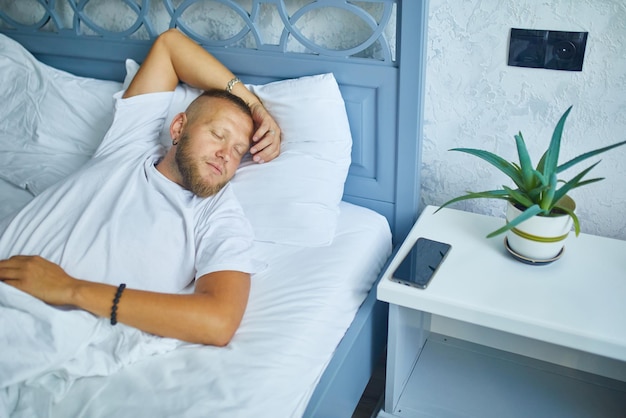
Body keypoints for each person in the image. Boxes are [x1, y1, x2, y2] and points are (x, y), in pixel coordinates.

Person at [0, 29, 281, 346]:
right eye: (218, 135)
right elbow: (170, 46)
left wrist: (69, 288)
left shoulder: (218, 217)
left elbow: (219, 321)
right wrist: (254, 105)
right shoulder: (129, 144)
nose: (225, 154)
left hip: (27, 323)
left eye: (238, 151)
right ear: (178, 128)